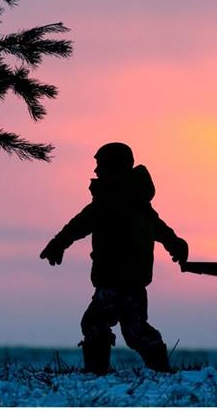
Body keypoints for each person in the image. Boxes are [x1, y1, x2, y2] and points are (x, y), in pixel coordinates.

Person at [40, 142, 189, 375]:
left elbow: (79, 225)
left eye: (100, 165)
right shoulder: (137, 204)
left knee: (98, 323)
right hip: (131, 281)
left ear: (114, 168)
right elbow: (160, 229)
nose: (96, 171)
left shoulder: (108, 203)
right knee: (133, 329)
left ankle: (98, 370)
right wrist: (177, 246)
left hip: (113, 280)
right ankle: (159, 369)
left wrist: (59, 243)